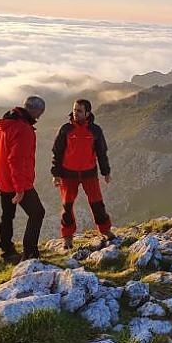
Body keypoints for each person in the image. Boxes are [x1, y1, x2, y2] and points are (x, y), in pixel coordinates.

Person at [0, 95, 46, 263]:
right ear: (33, 110)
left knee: (7, 215)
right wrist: (20, 189)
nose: (40, 116)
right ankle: (30, 254)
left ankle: (7, 252)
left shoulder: (5, 124)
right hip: (16, 181)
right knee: (37, 213)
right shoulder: (23, 129)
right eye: (40, 112)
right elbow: (17, 160)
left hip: (2, 177)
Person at [51, 99, 114, 249]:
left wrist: (106, 172)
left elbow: (101, 153)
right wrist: (56, 174)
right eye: (74, 110)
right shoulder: (65, 129)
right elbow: (57, 152)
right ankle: (67, 237)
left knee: (97, 203)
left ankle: (105, 230)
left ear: (87, 113)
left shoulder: (95, 131)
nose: (75, 113)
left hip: (89, 174)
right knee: (67, 206)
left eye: (79, 111)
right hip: (68, 174)